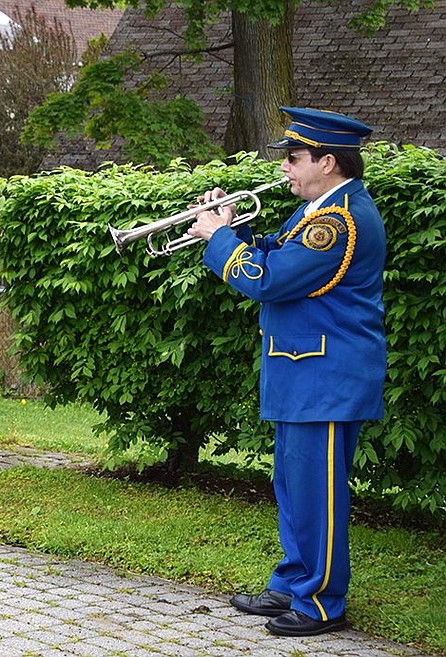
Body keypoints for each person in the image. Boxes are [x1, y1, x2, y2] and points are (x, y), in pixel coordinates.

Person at [187, 106, 386, 637]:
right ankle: (293, 583)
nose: (285, 169)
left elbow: (270, 281)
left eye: (294, 159)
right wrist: (233, 228)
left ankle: (321, 603)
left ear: (327, 161)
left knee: (316, 493)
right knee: (295, 486)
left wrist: (216, 239)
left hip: (326, 378)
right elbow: (276, 255)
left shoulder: (338, 222)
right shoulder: (318, 211)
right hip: (306, 374)